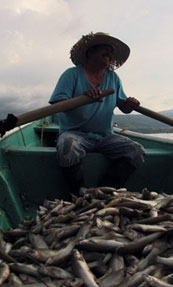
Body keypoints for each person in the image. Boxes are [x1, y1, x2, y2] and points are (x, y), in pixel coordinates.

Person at [49, 32, 145, 194]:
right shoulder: (71, 75)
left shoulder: (113, 78)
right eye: (105, 50)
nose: (110, 54)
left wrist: (131, 104)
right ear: (90, 52)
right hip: (75, 134)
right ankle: (78, 194)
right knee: (67, 146)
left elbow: (124, 107)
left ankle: (102, 193)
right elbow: (58, 105)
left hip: (105, 136)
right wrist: (82, 98)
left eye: (111, 51)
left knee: (136, 151)